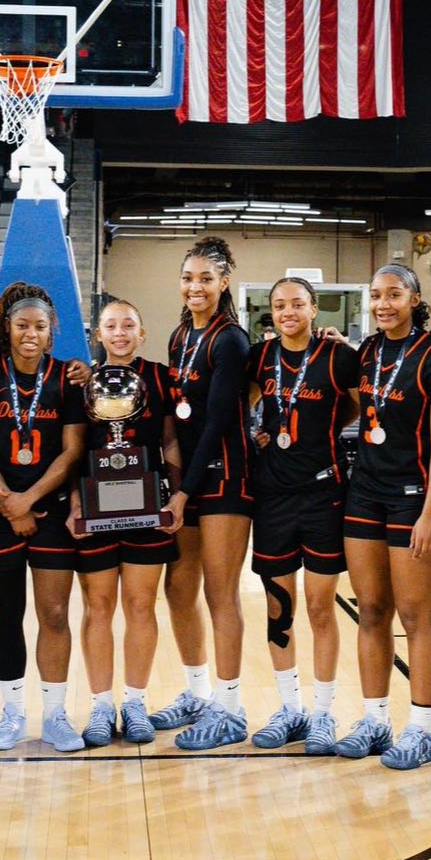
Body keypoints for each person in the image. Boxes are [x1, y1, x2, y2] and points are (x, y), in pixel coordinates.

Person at [336, 264, 431, 770]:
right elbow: (352, 405)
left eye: (393, 295)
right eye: (375, 296)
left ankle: (424, 728)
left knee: (415, 615)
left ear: (415, 298)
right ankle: (374, 718)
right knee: (370, 610)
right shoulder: (364, 354)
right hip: (364, 493)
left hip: (414, 497)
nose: (383, 304)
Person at [0, 285, 89, 752]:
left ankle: (55, 716)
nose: (30, 333)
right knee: (7, 614)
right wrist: (8, 502)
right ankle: (12, 714)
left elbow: (73, 451)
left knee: (54, 613)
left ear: (52, 330)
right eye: (22, 325)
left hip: (51, 510)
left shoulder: (68, 380)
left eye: (39, 326)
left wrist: (30, 498)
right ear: (8, 329)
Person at [244, 277, 361, 752]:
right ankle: (290, 708)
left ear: (315, 309)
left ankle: (324, 713)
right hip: (272, 496)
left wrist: (322, 431)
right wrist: (258, 433)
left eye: (297, 303)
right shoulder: (260, 357)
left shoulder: (338, 356)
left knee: (319, 606)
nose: (287, 311)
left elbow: (355, 405)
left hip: (323, 494)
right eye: (278, 305)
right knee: (279, 606)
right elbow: (247, 404)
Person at [65, 299, 183, 746]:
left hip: (148, 511)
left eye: (128, 325)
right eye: (111, 325)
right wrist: (76, 504)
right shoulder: (81, 382)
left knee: (139, 605)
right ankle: (99, 706)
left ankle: (134, 702)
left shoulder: (160, 378)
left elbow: (170, 442)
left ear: (142, 331)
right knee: (98, 607)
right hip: (96, 511)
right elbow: (75, 452)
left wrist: (177, 497)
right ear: (98, 333)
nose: (120, 333)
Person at [156, 237, 256, 750]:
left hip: (225, 478)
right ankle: (197, 692)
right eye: (188, 278)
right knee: (179, 589)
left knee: (220, 593)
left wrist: (183, 491)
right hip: (189, 481)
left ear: (223, 284)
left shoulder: (230, 340)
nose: (195, 287)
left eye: (206, 279)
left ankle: (231, 707)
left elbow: (216, 421)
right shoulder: (179, 337)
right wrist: (175, 485)